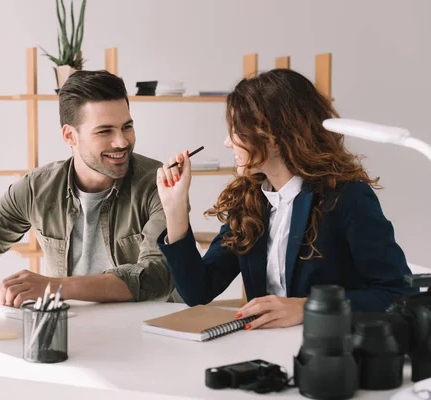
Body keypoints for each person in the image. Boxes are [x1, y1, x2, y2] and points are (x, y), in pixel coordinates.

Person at [155, 68, 417, 330]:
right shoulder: (248, 201)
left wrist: (307, 307)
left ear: (276, 137)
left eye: (237, 130)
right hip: (266, 354)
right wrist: (175, 208)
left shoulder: (347, 197)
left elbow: (397, 294)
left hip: (332, 354)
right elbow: (198, 291)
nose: (227, 142)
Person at [0, 70, 173, 307]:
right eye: (105, 131)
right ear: (70, 135)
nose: (121, 142)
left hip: (145, 331)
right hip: (70, 328)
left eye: (126, 127)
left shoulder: (158, 183)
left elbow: (157, 276)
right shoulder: (35, 188)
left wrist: (54, 287)